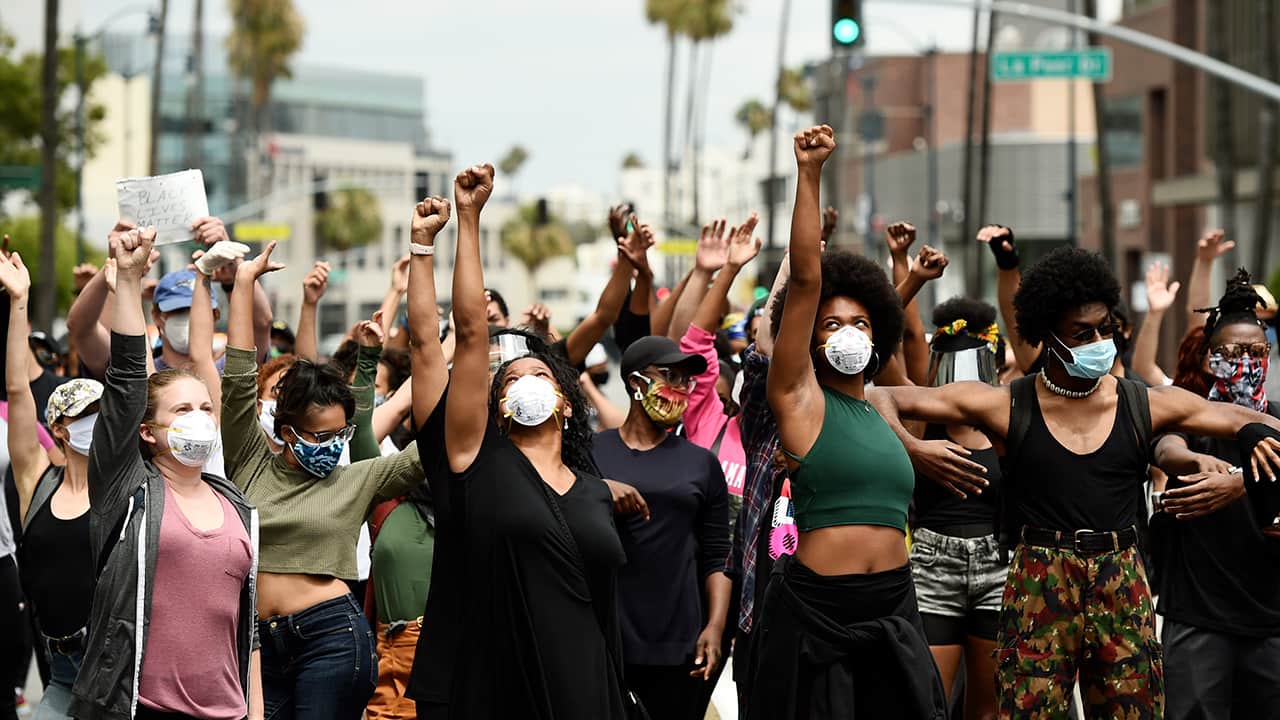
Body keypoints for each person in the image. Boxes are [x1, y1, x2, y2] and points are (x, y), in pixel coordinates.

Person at [868, 245, 1280, 719]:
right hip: (1040, 577)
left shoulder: (1142, 403)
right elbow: (880, 398)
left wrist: (1241, 469)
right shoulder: (1007, 404)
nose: (1099, 341)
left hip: (1121, 575)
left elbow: (1250, 421)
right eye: (1082, 333)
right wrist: (916, 449)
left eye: (1105, 328)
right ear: (1048, 336)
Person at [410, 164, 629, 719]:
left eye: (540, 374)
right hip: (497, 689)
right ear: (496, 404)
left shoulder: (593, 491)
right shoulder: (476, 459)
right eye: (511, 380)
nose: (527, 383)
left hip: (586, 690)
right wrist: (466, 219)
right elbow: (466, 333)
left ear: (566, 400)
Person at [747, 125, 945, 719]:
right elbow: (808, 278)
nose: (849, 333)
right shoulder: (798, 397)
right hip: (819, 614)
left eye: (860, 323)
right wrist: (810, 172)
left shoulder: (881, 408)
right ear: (809, 338)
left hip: (894, 608)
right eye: (832, 324)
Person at [219, 240, 428, 720]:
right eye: (320, 436)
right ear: (286, 430)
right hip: (257, 643)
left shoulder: (359, 477)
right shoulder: (249, 459)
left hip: (332, 638)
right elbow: (237, 379)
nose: (332, 445)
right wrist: (244, 284)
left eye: (341, 434)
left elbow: (437, 447)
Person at [72, 225, 262, 720]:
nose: (198, 418)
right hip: (141, 708)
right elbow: (127, 378)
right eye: (181, 410)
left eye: (205, 408)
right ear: (148, 431)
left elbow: (247, 629)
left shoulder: (238, 506)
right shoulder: (128, 490)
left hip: (229, 711)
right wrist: (128, 280)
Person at [1150, 270, 1280, 719]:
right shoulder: (1188, 417)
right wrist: (1197, 463)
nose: (1246, 362)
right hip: (1198, 619)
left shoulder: (1277, 422)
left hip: (1270, 621)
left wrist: (1240, 481)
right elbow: (1166, 449)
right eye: (1233, 353)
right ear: (1210, 359)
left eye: (1257, 352)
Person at [592, 335, 731, 720]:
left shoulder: (701, 463)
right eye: (670, 375)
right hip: (606, 636)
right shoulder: (592, 453)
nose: (681, 388)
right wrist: (598, 491)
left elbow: (718, 554)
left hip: (678, 640)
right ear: (635, 382)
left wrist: (716, 626)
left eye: (687, 380)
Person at [0, 249, 98, 720]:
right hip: (60, 672)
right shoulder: (36, 483)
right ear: (58, 428)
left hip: (118, 671)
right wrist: (19, 300)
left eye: (102, 414)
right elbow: (18, 390)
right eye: (84, 415)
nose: (95, 423)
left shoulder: (125, 484)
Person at [908, 297, 1007, 720]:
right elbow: (904, 339)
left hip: (998, 565)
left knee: (987, 711)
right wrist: (910, 276)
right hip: (934, 567)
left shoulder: (1007, 418)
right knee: (927, 704)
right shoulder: (920, 420)